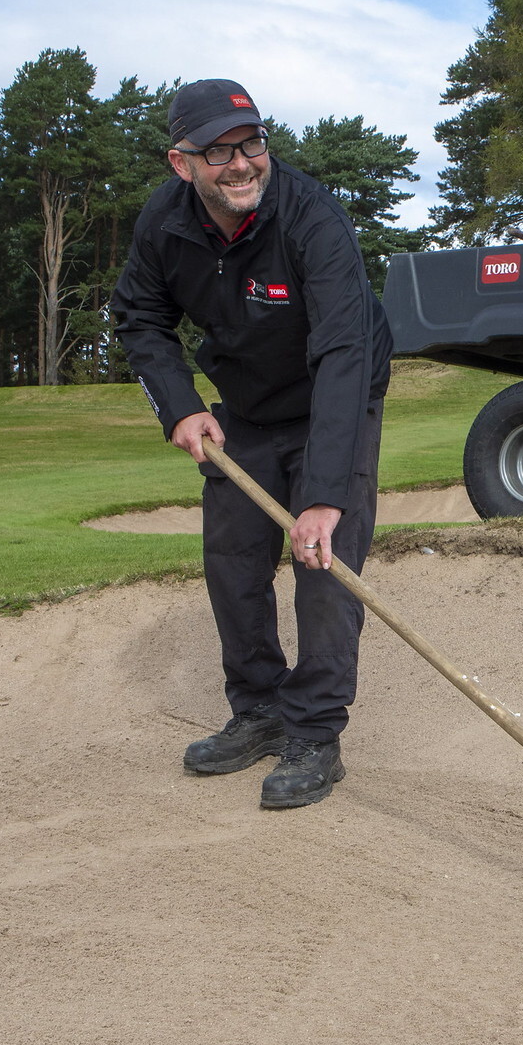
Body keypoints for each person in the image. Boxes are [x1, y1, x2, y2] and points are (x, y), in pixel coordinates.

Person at [111, 79, 392, 808]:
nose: (242, 165)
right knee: (233, 562)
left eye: (252, 144)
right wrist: (179, 408)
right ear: (182, 164)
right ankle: (260, 709)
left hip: (336, 395)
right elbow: (139, 317)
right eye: (218, 152)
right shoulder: (164, 223)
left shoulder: (312, 219)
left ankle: (315, 734)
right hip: (246, 406)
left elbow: (342, 353)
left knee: (324, 569)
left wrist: (325, 496)